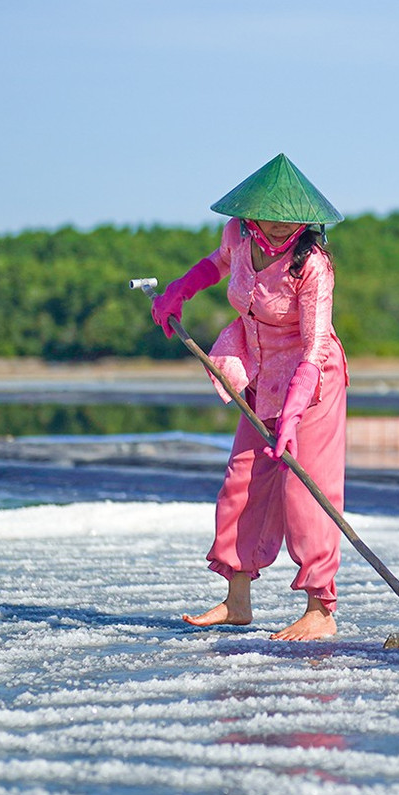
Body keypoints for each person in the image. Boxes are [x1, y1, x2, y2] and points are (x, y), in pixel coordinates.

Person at [150, 154, 349, 639]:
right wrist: (180, 289)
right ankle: (237, 600)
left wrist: (294, 412)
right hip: (259, 375)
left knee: (305, 490)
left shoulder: (314, 267)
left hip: (313, 384)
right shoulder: (238, 237)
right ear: (251, 213)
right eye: (273, 215)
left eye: (293, 219)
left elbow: (316, 345)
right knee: (242, 481)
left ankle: (320, 609)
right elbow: (217, 266)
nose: (283, 226)